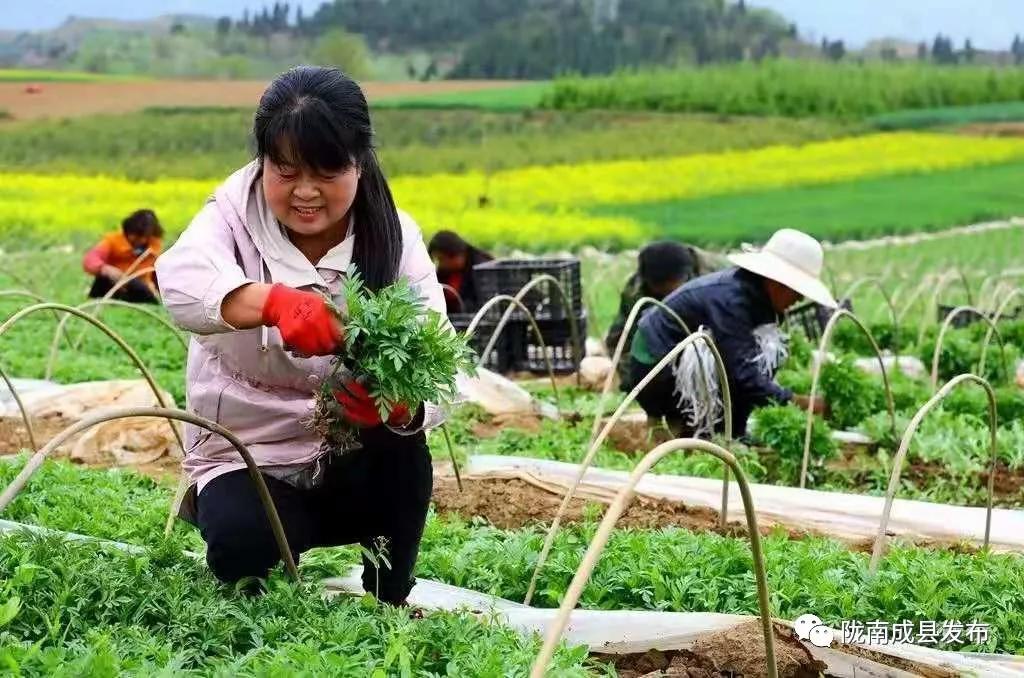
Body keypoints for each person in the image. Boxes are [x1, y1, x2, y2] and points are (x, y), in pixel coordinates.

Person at [155, 66, 445, 606]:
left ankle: (389, 597)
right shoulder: (230, 217)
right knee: (241, 545)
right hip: (250, 450)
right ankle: (226, 515)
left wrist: (400, 408)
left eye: (326, 172)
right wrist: (271, 302)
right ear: (262, 162)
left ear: (359, 162)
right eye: (285, 171)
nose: (305, 192)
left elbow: (439, 355)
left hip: (349, 456)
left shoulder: (393, 236)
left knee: (404, 449)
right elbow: (180, 278)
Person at [626, 229, 833, 438]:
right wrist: (799, 402)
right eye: (797, 292)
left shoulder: (754, 295)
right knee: (712, 416)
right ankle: (689, 432)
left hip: (672, 356)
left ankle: (724, 435)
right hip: (654, 365)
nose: (798, 300)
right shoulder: (731, 301)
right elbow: (741, 375)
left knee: (743, 386)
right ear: (779, 283)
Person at [605, 241, 726, 388]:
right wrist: (636, 382)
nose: (668, 297)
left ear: (685, 277)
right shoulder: (636, 292)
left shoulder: (716, 281)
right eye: (660, 291)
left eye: (671, 290)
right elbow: (620, 342)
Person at [82, 209, 163, 304]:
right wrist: (105, 269)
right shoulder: (113, 241)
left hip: (140, 291)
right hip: (113, 285)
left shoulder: (153, 246)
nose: (140, 240)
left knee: (139, 287)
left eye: (144, 237)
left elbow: (156, 273)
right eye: (136, 236)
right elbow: (90, 259)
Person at [427, 230, 493, 314]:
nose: (440, 264)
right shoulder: (445, 272)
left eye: (441, 259)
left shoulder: (483, 268)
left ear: (455, 255)